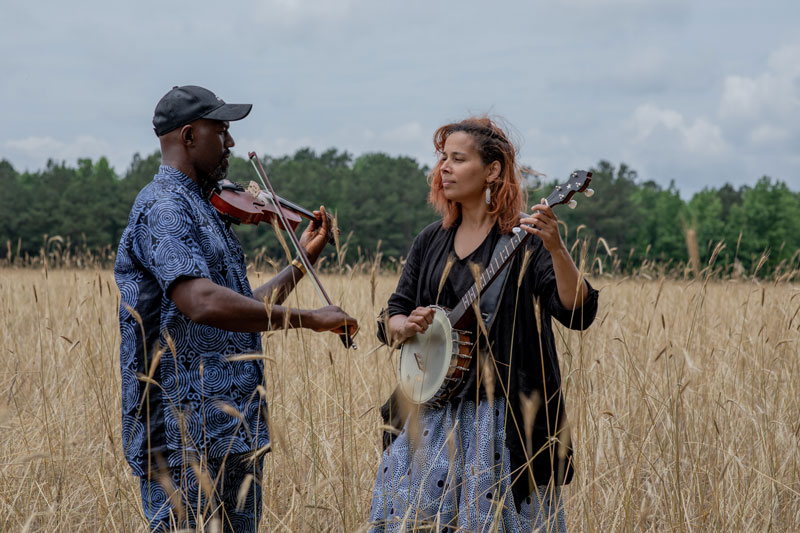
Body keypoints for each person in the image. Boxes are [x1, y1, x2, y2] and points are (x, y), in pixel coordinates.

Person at [115, 85, 357, 532]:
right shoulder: (163, 207)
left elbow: (241, 309)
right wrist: (308, 321)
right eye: (221, 132)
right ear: (188, 137)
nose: (229, 144)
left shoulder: (205, 208)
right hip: (181, 435)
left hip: (231, 430)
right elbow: (201, 302)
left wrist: (299, 265)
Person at [369, 117, 598, 532]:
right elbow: (390, 316)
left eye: (458, 159)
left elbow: (577, 312)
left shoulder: (526, 240)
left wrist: (556, 248)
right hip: (431, 417)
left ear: (492, 170)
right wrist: (405, 325)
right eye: (443, 158)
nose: (445, 168)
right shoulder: (430, 240)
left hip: (504, 422)